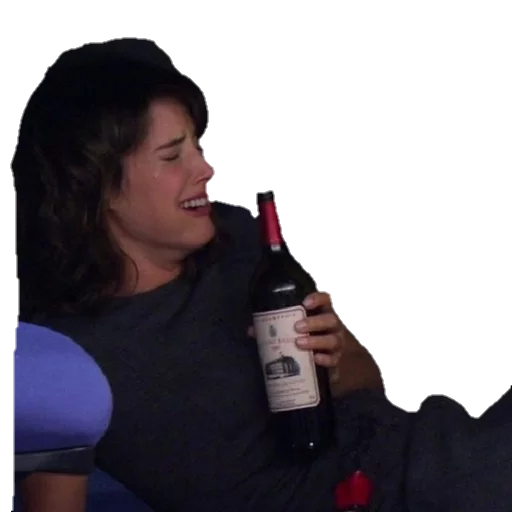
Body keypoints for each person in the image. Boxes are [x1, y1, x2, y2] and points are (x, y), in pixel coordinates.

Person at [13, 38, 511, 512]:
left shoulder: (237, 236)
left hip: (435, 457)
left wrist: (335, 358)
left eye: (198, 146)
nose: (207, 168)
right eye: (173, 155)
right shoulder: (63, 355)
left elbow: (370, 387)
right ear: (98, 186)